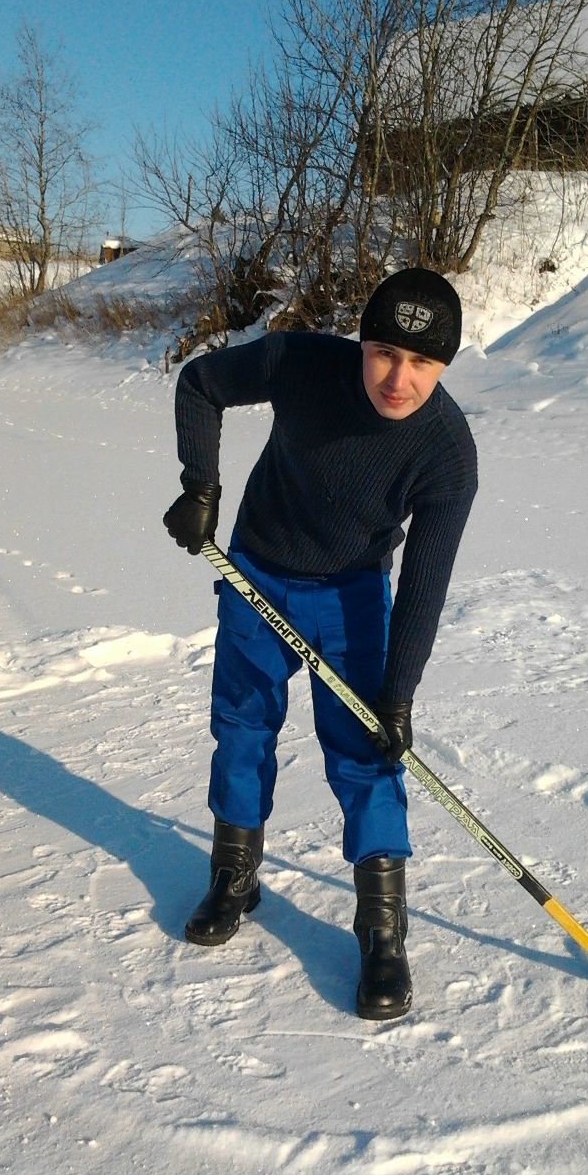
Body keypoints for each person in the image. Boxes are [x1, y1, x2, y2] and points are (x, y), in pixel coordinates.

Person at [163, 267, 477, 1020]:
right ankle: (235, 872)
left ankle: (381, 925)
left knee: (366, 752)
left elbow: (425, 589)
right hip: (258, 573)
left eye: (422, 363)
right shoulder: (302, 364)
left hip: (351, 595)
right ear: (361, 343)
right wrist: (201, 488)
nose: (399, 379)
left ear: (444, 366)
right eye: (383, 353)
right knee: (242, 724)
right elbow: (200, 385)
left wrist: (397, 697)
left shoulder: (446, 452)